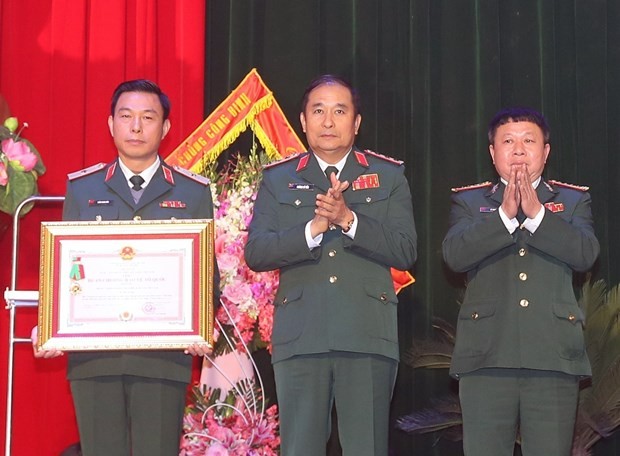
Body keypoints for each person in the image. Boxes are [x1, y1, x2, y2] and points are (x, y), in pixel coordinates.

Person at [32, 79, 217, 456]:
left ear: (165, 127)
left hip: (162, 359)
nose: (136, 127)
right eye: (126, 116)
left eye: (148, 117)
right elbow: (68, 270)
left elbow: (205, 275)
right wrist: (51, 321)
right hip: (94, 359)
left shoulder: (192, 192)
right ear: (110, 124)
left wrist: (203, 321)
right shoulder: (82, 190)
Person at [244, 75, 417, 456]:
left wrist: (348, 221)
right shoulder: (278, 179)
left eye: (339, 111)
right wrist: (313, 229)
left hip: (367, 335)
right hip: (301, 337)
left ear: (356, 123)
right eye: (318, 111)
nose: (327, 121)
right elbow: (257, 253)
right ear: (303, 121)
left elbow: (405, 250)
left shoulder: (388, 176)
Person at [442, 107, 600, 455]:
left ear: (545, 152)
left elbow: (585, 254)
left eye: (529, 141)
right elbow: (454, 256)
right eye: (508, 141)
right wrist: (504, 217)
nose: (518, 150)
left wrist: (538, 216)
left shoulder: (572, 201)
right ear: (492, 152)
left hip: (553, 358)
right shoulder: (469, 202)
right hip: (486, 358)